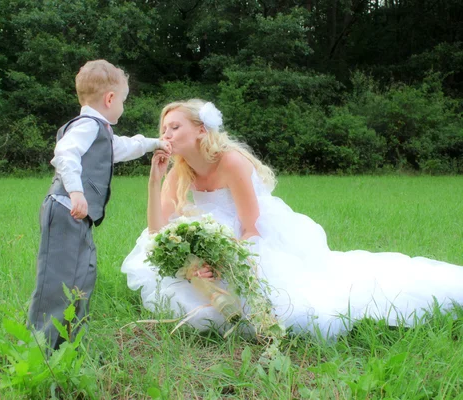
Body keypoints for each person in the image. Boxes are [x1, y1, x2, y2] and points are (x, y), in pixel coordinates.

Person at [121, 99, 463, 339]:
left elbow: (250, 226)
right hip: (208, 237)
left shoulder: (230, 162)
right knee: (176, 279)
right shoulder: (178, 170)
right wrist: (189, 259)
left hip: (250, 237)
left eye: (174, 126)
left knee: (295, 301)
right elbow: (157, 231)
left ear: (200, 130)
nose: (165, 133)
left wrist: (225, 262)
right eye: (163, 128)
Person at [28, 60, 171, 349]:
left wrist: (156, 142)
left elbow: (123, 147)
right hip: (67, 207)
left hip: (78, 215)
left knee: (82, 273)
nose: (123, 107)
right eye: (123, 101)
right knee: (59, 278)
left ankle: (70, 343)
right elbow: (65, 153)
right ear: (110, 98)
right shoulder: (86, 126)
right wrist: (77, 192)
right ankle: (43, 346)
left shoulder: (99, 131)